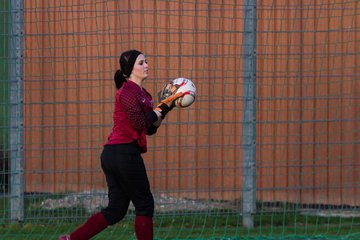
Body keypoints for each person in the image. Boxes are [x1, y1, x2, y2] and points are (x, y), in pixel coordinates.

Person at [59, 49, 183, 240]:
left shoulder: (144, 95)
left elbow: (149, 128)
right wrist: (162, 106)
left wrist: (167, 107)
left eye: (146, 61)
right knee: (145, 205)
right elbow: (140, 123)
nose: (147, 65)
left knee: (116, 210)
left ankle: (71, 239)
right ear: (129, 69)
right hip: (122, 153)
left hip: (116, 155)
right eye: (141, 63)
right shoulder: (126, 92)